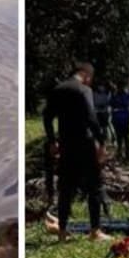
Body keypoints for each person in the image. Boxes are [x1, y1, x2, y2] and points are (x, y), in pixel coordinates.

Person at [43, 61, 109, 242]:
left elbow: (47, 117)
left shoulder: (58, 90)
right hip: (85, 144)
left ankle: (62, 232)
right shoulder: (83, 90)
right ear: (86, 75)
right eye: (90, 78)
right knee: (94, 186)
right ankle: (95, 231)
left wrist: (52, 141)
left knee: (65, 188)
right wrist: (101, 142)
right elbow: (91, 118)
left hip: (66, 144)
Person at [110, 81, 129, 161]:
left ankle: (127, 154)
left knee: (126, 137)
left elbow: (126, 103)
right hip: (117, 118)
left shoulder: (126, 96)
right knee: (119, 137)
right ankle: (120, 153)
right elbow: (112, 103)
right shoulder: (114, 96)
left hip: (124, 118)